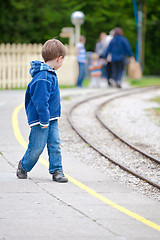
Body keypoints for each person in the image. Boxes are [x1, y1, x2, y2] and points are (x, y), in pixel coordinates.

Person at [16, 38, 68, 183]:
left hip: (51, 119)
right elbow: (40, 102)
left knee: (55, 144)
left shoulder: (49, 73)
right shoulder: (43, 77)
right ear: (59, 59)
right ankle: (23, 165)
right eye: (62, 61)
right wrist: (44, 119)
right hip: (42, 120)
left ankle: (57, 170)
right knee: (36, 148)